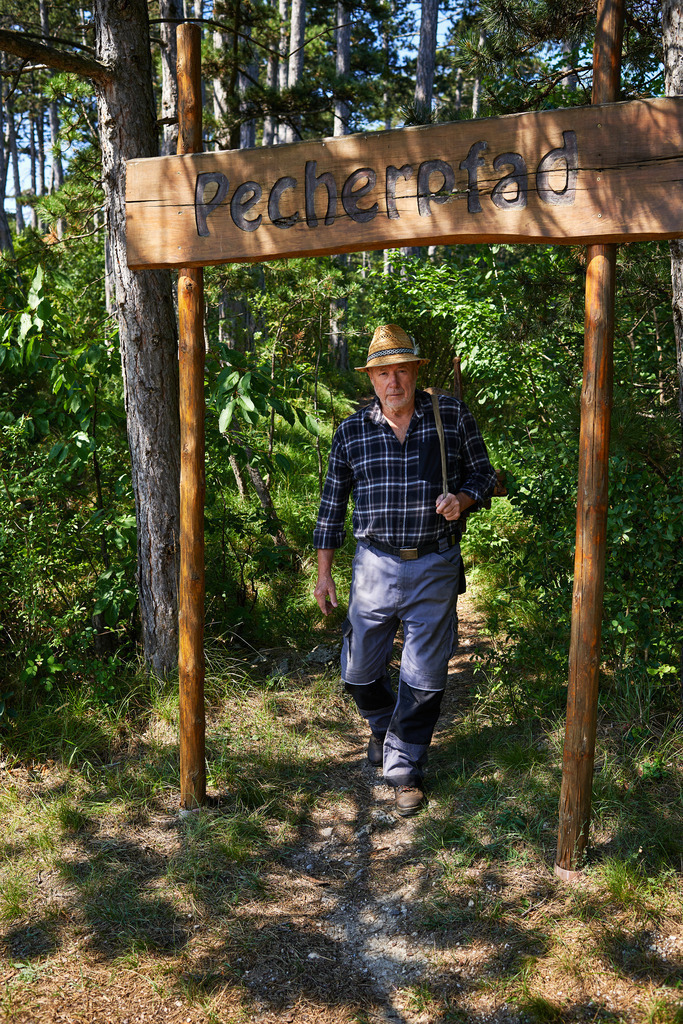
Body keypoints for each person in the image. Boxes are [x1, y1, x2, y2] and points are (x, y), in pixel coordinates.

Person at [313, 324, 496, 816]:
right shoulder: (352, 431)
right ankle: (383, 725)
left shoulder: (451, 415)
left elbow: (483, 473)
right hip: (372, 564)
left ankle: (404, 768)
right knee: (357, 672)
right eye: (382, 374)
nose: (393, 382)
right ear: (371, 380)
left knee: (425, 675)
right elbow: (331, 507)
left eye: (401, 371)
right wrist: (324, 572)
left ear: (416, 372)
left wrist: (462, 499)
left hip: (434, 562)